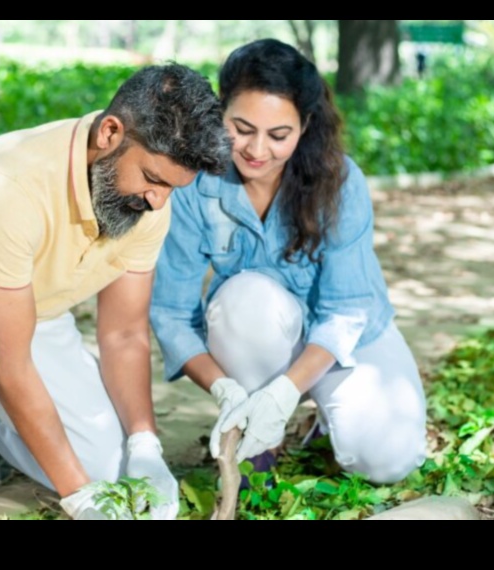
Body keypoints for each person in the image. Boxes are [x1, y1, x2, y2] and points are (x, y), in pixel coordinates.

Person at [0, 63, 230, 519]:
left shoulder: (150, 200)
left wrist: (144, 443)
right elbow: (12, 363)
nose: (158, 201)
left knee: (109, 471)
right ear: (110, 133)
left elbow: (124, 334)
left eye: (172, 188)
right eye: (154, 180)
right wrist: (77, 498)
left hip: (30, 312)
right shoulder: (5, 188)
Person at [150, 39, 427, 486]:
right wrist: (227, 389)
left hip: (347, 338)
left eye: (279, 135)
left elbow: (345, 310)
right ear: (219, 113)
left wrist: (284, 393)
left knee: (389, 462)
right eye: (241, 127)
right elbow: (171, 313)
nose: (257, 150)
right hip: (261, 331)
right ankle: (261, 443)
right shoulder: (193, 183)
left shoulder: (339, 182)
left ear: (306, 126)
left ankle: (315, 415)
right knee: (244, 297)